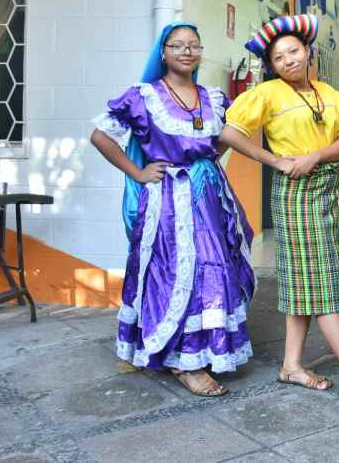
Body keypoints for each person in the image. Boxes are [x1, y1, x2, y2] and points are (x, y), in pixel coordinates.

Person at [219, 14, 339, 400]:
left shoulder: (331, 95)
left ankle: (291, 365)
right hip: (295, 194)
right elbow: (229, 132)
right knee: (320, 279)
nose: (288, 60)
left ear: (307, 51)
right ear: (272, 66)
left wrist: (314, 156)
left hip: (328, 188)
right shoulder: (267, 95)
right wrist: (276, 161)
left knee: (309, 277)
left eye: (293, 51)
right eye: (279, 57)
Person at [90, 22, 256, 397]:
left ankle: (204, 349)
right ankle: (184, 361)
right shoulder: (143, 96)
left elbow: (221, 138)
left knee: (214, 265)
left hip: (210, 197)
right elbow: (100, 137)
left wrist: (205, 164)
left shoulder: (212, 97)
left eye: (194, 46)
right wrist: (138, 172)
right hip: (167, 200)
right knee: (176, 270)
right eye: (177, 45)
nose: (186, 51)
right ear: (162, 52)